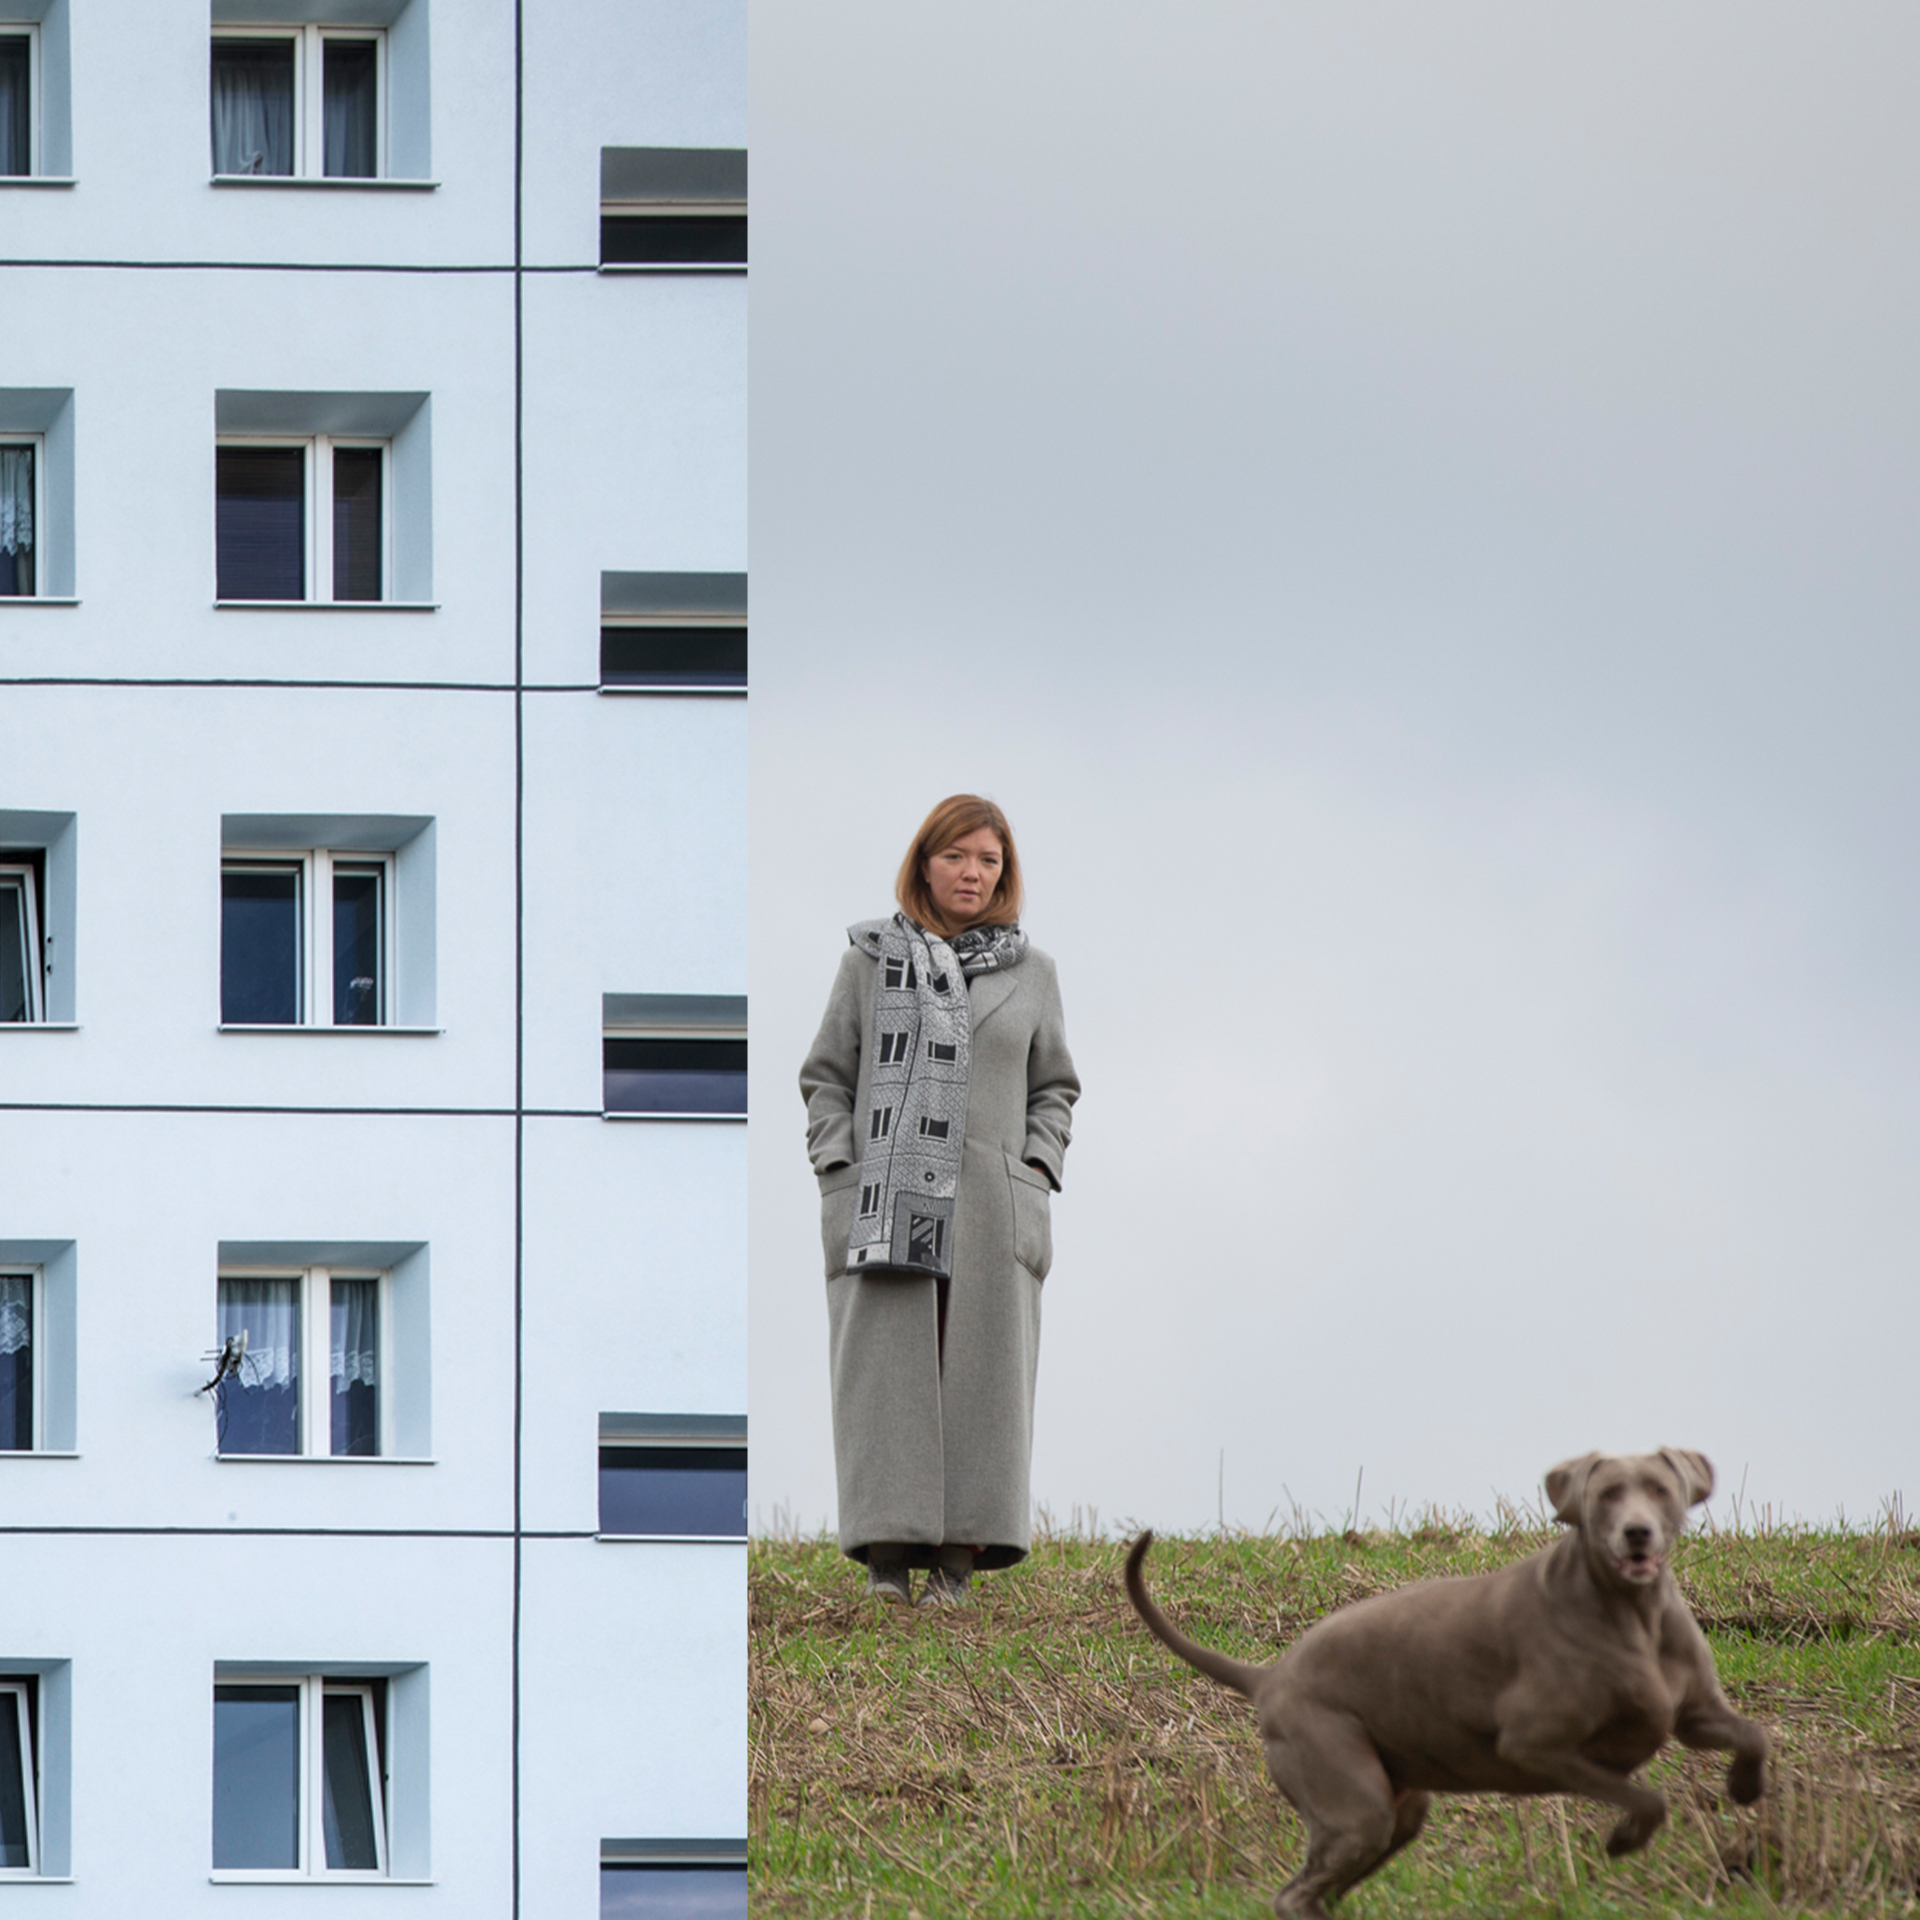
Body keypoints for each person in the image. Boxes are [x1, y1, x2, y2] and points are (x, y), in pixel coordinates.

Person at [799, 795, 1080, 1607]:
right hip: (884, 1197)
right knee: (887, 1377)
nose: (972, 873)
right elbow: (826, 1077)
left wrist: (1038, 1162)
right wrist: (837, 1162)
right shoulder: (868, 961)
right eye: (956, 856)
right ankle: (887, 1558)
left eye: (989, 860)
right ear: (924, 864)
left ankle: (957, 1563)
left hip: (992, 1206)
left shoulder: (1035, 974)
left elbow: (1055, 1087)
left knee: (984, 1380)